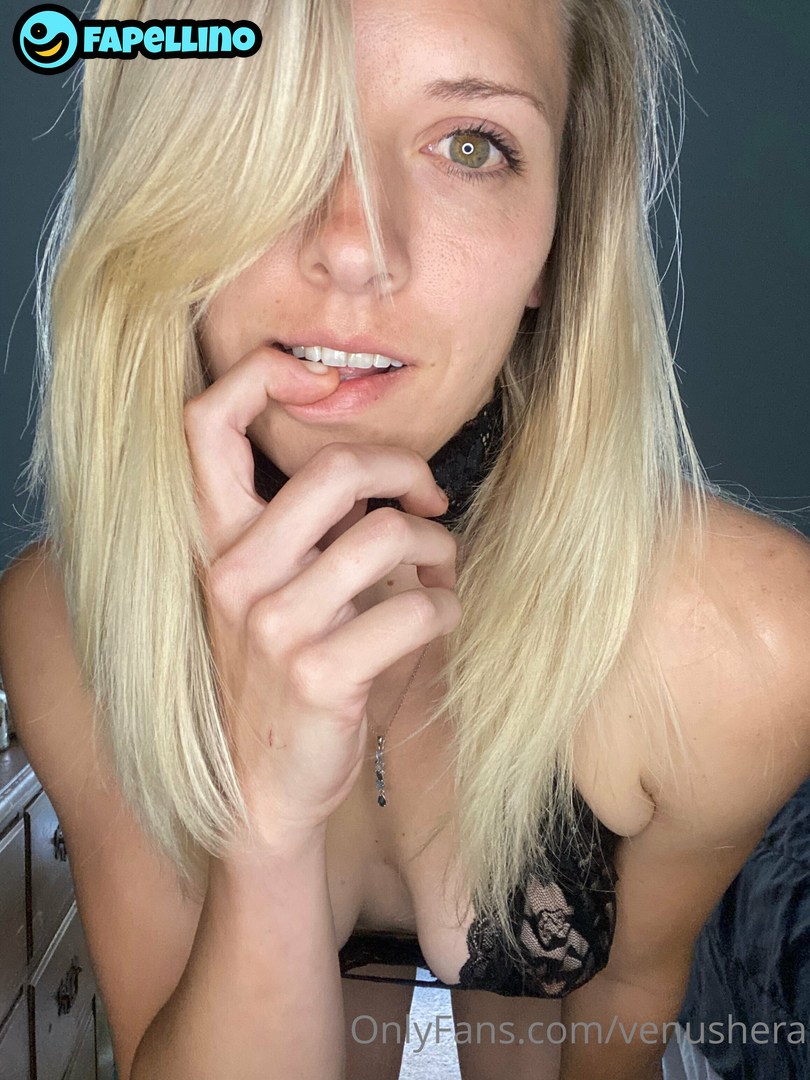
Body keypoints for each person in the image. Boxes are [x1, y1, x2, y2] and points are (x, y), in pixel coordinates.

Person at [1, 0, 808, 1078]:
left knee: (520, 1010)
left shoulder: (748, 642)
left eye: (471, 146)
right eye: (269, 120)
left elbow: (623, 998)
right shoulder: (65, 628)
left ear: (557, 240)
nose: (353, 246)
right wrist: (266, 837)